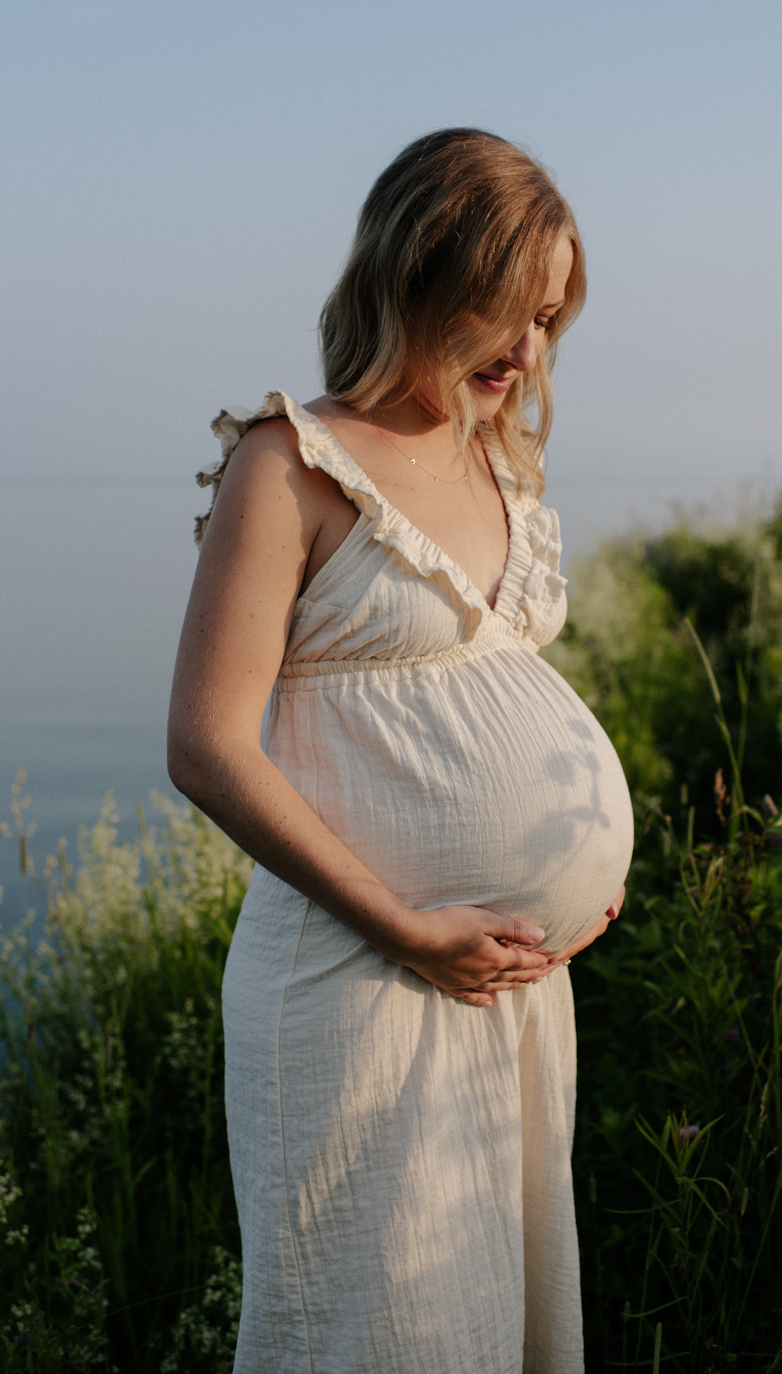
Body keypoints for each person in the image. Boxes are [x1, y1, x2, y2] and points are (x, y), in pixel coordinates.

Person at [167, 128, 633, 1374]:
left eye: (550, 319)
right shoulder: (288, 467)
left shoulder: (500, 465)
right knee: (369, 1330)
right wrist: (403, 924)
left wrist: (581, 863)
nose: (529, 353)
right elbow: (208, 746)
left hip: (509, 992)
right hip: (361, 983)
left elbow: (493, 680)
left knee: (494, 1321)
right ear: (415, 274)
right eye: (505, 310)